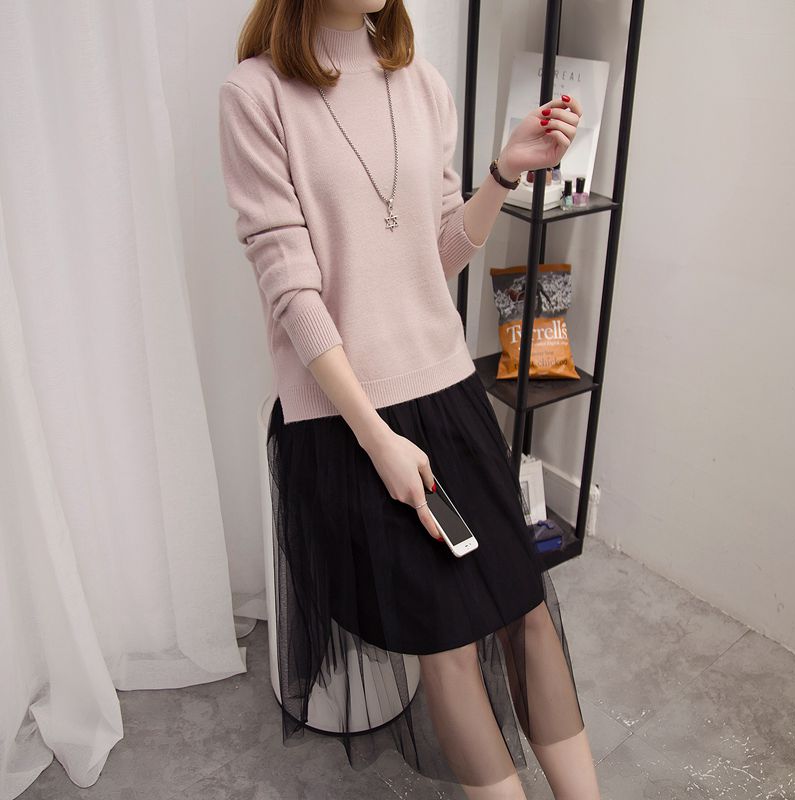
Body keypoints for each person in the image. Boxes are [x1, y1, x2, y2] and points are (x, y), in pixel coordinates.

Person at [218, 1, 600, 797]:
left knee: (526, 611)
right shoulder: (256, 95)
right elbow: (292, 292)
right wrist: (378, 441)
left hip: (448, 391)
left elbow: (437, 254)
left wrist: (504, 172)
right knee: (448, 643)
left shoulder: (423, 84)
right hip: (346, 416)